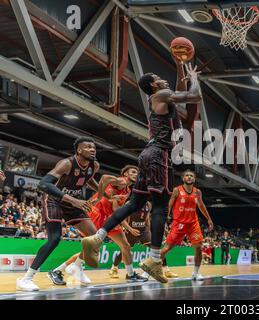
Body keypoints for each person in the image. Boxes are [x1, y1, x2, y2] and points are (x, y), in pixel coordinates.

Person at [81, 59, 202, 283]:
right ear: (154, 85)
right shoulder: (160, 96)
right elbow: (194, 96)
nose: (162, 78)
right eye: (158, 77)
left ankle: (97, 238)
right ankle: (153, 261)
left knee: (135, 203)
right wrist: (194, 78)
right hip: (159, 155)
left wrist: (178, 64)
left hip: (148, 155)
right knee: (159, 207)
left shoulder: (159, 96)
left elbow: (176, 90)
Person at [16, 137, 99, 291]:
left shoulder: (94, 166)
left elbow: (88, 179)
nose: (93, 149)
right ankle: (25, 278)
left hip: (73, 202)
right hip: (54, 200)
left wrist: (103, 193)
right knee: (54, 239)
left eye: (94, 147)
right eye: (88, 147)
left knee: (95, 237)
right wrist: (72, 200)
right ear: (79, 150)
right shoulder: (66, 163)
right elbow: (43, 184)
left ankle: (75, 267)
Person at [48, 165, 147, 285]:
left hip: (110, 218)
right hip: (97, 214)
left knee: (125, 246)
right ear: (125, 174)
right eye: (133, 171)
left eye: (137, 172)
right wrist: (100, 196)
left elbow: (116, 209)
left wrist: (128, 227)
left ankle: (131, 274)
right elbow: (105, 178)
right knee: (92, 248)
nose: (136, 174)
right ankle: (59, 270)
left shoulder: (128, 190)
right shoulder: (122, 181)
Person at [159, 170, 213, 281]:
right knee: (167, 248)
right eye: (187, 175)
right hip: (179, 223)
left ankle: (196, 273)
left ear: (194, 179)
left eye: (191, 176)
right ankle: (148, 269)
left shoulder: (197, 192)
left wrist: (209, 219)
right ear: (183, 178)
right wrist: (164, 220)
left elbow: (201, 205)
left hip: (193, 223)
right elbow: (169, 206)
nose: (189, 177)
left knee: (198, 247)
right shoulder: (176, 190)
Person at [109, 201, 178, 279]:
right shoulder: (130, 203)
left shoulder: (148, 204)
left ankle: (166, 270)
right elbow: (122, 218)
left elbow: (147, 218)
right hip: (130, 230)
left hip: (144, 231)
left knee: (156, 248)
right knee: (125, 251)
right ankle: (114, 268)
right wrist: (130, 229)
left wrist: (148, 230)